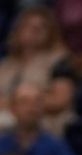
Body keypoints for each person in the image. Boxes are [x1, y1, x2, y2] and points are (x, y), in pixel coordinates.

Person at [0, 8, 76, 136]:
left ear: (50, 32)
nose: (34, 31)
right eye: (28, 26)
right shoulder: (6, 64)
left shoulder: (59, 61)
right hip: (7, 114)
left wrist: (23, 104)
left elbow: (60, 100)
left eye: (41, 27)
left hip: (44, 118)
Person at [0, 84, 82, 155]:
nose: (31, 108)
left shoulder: (53, 144)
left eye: (37, 102)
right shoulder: (2, 143)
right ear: (13, 109)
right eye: (24, 102)